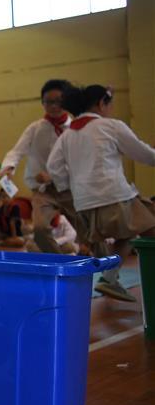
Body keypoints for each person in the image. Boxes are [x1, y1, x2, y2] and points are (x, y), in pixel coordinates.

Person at [48, 84, 155, 301]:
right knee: (147, 229)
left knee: (131, 233)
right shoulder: (110, 126)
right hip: (114, 195)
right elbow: (143, 154)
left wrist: (70, 189)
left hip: (86, 203)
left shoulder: (68, 135)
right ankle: (110, 278)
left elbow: (53, 167)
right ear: (101, 104)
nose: (111, 108)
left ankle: (110, 277)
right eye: (110, 103)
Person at [0, 79, 82, 254]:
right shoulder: (35, 128)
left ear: (67, 101)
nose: (53, 106)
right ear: (42, 103)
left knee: (88, 229)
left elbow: (80, 161)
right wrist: (8, 168)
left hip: (70, 189)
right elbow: (17, 151)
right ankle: (59, 263)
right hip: (43, 191)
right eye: (48, 102)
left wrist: (53, 176)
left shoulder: (75, 129)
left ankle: (109, 271)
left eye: (59, 101)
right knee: (40, 229)